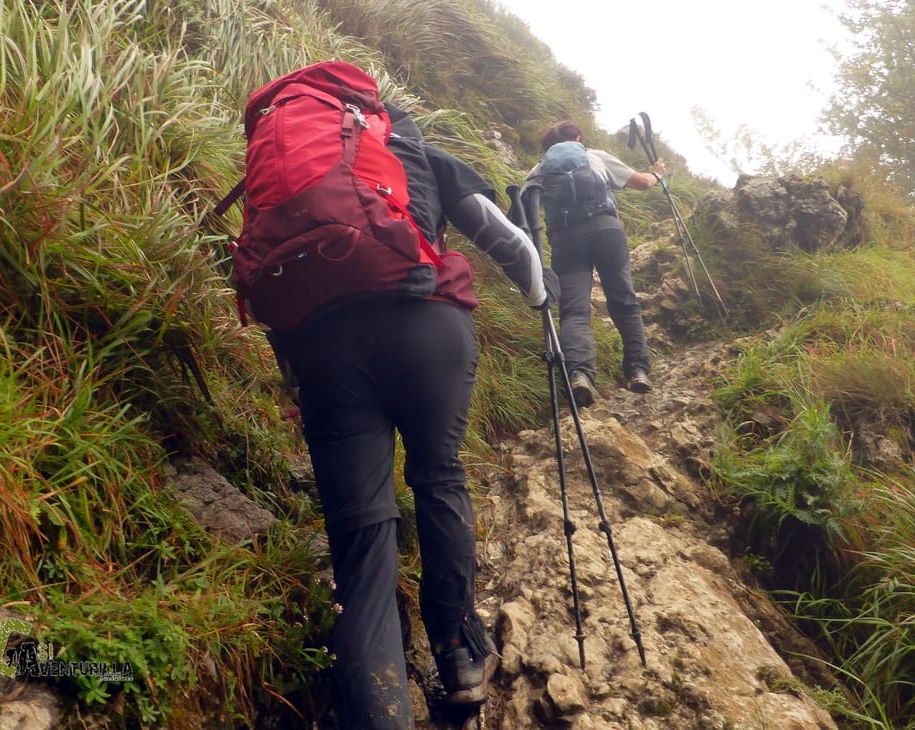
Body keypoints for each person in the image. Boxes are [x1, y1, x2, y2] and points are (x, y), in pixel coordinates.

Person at [278, 103, 558, 728]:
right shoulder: (419, 155)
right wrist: (542, 295)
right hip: (428, 328)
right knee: (438, 476)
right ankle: (458, 655)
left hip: (325, 347)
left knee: (360, 532)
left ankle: (380, 708)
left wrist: (303, 376)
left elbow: (272, 277)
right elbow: (509, 243)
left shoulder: (296, 171)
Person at [523, 120, 664, 408]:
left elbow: (523, 211)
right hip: (606, 232)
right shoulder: (595, 157)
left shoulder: (539, 170)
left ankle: (580, 375)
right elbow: (643, 183)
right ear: (578, 138)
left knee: (574, 311)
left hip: (566, 241)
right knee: (624, 301)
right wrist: (657, 173)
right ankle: (637, 370)